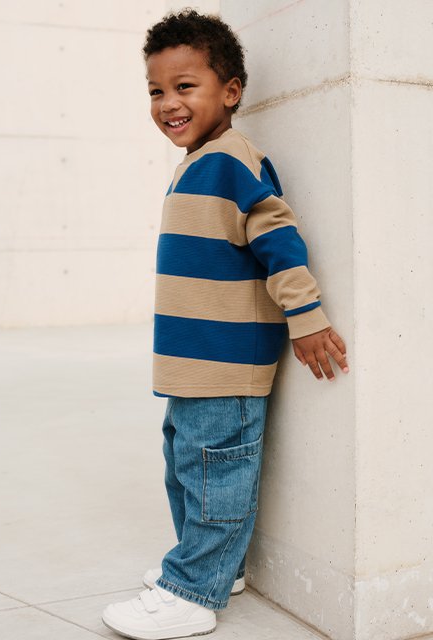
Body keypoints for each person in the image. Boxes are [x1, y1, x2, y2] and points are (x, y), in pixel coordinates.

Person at [101, 10, 349, 640]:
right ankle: (217, 566)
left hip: (225, 362)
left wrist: (306, 317)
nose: (167, 103)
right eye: (156, 90)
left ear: (231, 91)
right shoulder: (198, 163)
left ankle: (193, 592)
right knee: (187, 470)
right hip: (191, 363)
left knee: (216, 478)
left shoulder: (232, 160)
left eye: (185, 86)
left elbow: (278, 238)